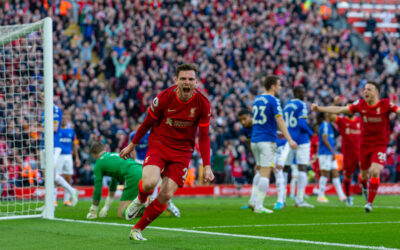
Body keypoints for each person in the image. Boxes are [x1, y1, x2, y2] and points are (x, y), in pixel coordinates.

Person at [120, 63, 214, 241]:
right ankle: (140, 200)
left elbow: (204, 137)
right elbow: (147, 123)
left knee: (167, 194)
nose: (187, 83)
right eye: (183, 79)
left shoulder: (203, 104)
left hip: (183, 151)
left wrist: (207, 165)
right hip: (159, 144)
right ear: (176, 80)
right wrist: (132, 144)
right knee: (149, 183)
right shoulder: (163, 98)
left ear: (196, 82)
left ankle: (137, 229)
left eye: (191, 79)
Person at [312, 81, 400, 212]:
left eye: (369, 89)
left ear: (376, 93)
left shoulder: (385, 104)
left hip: (380, 145)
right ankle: (364, 187)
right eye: (364, 89)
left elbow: (398, 110)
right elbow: (340, 110)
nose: (365, 92)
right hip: (364, 146)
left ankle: (369, 203)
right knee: (363, 176)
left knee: (375, 171)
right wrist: (320, 108)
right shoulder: (360, 104)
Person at [250, 75, 297, 214]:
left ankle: (253, 200)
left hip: (255, 140)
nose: (280, 87)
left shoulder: (257, 99)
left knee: (259, 171)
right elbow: (280, 120)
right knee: (265, 173)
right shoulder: (274, 100)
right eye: (279, 85)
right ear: (272, 86)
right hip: (266, 141)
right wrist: (289, 139)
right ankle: (259, 205)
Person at [129, 127, 181, 217]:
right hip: (139, 161)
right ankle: (142, 204)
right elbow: (133, 147)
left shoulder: (152, 134)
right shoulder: (133, 135)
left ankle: (166, 203)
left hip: (153, 161)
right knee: (146, 183)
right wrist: (134, 158)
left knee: (159, 182)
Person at [38, 100, 78, 210]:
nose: (41, 98)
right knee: (48, 175)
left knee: (53, 174)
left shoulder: (55, 111)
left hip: (56, 149)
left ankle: (69, 193)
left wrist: (36, 129)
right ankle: (51, 201)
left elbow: (55, 128)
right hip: (45, 146)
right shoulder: (43, 113)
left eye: (43, 96)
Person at [86, 142, 142, 219]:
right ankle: (144, 207)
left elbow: (98, 188)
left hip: (133, 176)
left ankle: (145, 208)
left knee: (122, 214)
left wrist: (94, 209)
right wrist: (106, 206)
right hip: (141, 170)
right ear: (104, 150)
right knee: (131, 210)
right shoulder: (112, 155)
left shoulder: (99, 163)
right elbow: (113, 183)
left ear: (93, 154)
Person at [280, 86, 314, 208]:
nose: (305, 94)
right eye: (303, 92)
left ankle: (282, 199)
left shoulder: (287, 105)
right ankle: (299, 200)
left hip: (288, 139)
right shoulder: (302, 105)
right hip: (301, 140)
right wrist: (311, 133)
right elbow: (301, 123)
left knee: (285, 169)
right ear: (298, 93)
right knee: (302, 167)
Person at [330, 97, 361, 206]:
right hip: (348, 154)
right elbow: (331, 116)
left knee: (365, 174)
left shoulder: (360, 121)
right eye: (346, 108)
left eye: (349, 107)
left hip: (360, 152)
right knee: (348, 176)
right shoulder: (342, 121)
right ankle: (348, 196)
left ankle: (367, 195)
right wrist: (335, 103)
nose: (348, 109)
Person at [316, 112, 346, 203]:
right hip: (325, 153)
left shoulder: (328, 125)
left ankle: (341, 196)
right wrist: (333, 151)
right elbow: (324, 139)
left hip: (329, 153)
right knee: (325, 173)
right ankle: (320, 196)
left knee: (335, 172)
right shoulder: (325, 125)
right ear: (326, 115)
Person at [57, 112, 81, 206]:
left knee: (68, 177)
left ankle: (66, 200)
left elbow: (74, 144)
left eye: (66, 119)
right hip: (59, 155)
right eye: (63, 118)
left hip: (68, 156)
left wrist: (77, 157)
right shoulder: (57, 130)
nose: (64, 120)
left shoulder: (71, 131)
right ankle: (54, 200)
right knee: (56, 177)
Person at [237, 108, 259, 210]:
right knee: (259, 173)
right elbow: (249, 144)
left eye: (244, 119)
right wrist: (256, 159)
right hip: (260, 153)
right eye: (241, 120)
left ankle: (281, 201)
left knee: (278, 172)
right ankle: (254, 201)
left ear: (250, 116)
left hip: (273, 149)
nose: (243, 122)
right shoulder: (244, 130)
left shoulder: (259, 123)